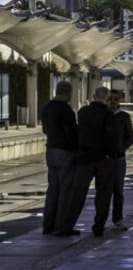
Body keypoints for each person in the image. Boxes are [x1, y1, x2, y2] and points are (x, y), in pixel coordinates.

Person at [66, 86, 123, 238]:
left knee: (78, 193)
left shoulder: (83, 112)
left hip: (85, 158)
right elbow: (114, 138)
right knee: (103, 194)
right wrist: (115, 154)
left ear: (93, 96)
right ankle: (99, 227)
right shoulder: (109, 115)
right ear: (106, 99)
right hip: (105, 159)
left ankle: (68, 225)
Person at [41, 81, 79, 236]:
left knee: (53, 189)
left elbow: (45, 129)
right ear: (68, 92)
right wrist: (77, 150)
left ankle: (48, 225)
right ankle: (61, 226)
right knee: (65, 190)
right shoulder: (66, 110)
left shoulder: (47, 107)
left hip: (50, 150)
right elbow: (71, 133)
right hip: (65, 152)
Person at [107, 89, 133, 231]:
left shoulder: (124, 116)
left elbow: (130, 136)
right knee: (104, 191)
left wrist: (122, 147)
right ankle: (100, 219)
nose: (113, 102)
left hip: (119, 158)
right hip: (104, 159)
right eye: (110, 99)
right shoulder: (103, 115)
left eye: (116, 99)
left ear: (119, 101)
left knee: (118, 190)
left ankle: (117, 219)